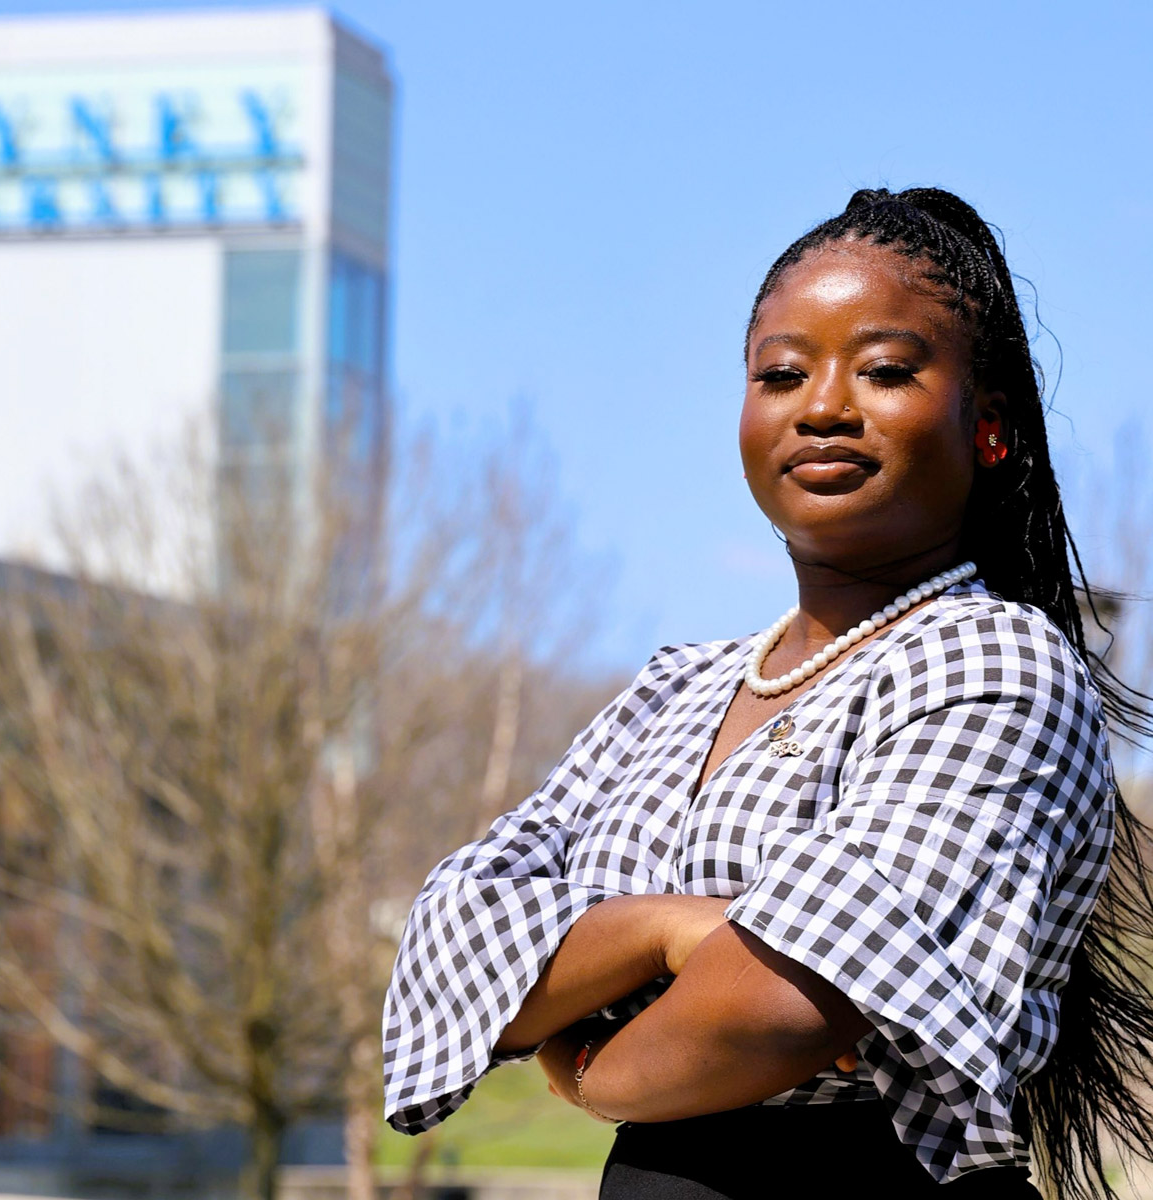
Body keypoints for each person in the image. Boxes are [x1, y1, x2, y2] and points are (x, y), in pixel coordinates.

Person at [381, 188, 1153, 1199]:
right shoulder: (672, 690)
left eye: (883, 371)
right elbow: (449, 947)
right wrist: (665, 930)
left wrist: (589, 1068)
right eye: (781, 373)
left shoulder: (992, 666)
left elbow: (783, 1005)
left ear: (990, 428)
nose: (822, 405)